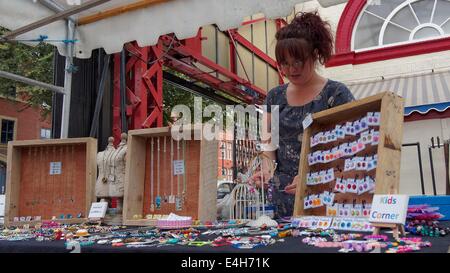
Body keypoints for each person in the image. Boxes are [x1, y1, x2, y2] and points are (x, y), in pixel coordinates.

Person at [250, 11, 355, 218]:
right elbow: (268, 145)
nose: (290, 70)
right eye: (284, 64)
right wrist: (266, 170)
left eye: (297, 62)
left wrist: (312, 176)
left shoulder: (335, 94)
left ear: (315, 54)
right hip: (283, 200)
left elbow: (351, 149)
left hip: (327, 199)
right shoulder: (274, 97)